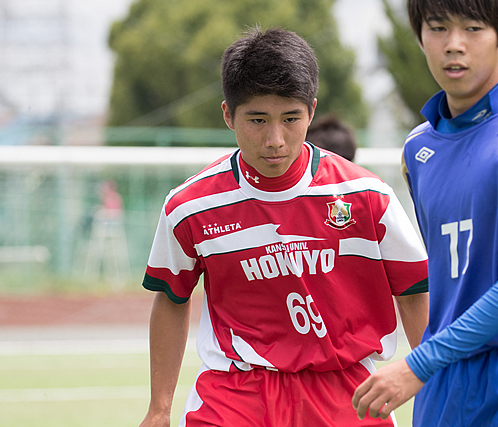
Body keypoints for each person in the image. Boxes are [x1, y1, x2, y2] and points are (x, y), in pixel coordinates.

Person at [139, 27, 429, 427]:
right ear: (228, 114)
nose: (275, 139)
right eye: (257, 119)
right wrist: (159, 408)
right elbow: (172, 298)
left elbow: (414, 293)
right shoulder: (190, 206)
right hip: (236, 393)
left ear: (311, 110)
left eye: (290, 118)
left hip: (347, 394)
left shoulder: (366, 196)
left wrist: (436, 387)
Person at [352, 0, 498, 425]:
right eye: (439, 28)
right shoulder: (418, 150)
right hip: (445, 383)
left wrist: (417, 364)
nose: (454, 45)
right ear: (421, 35)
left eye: (474, 28)